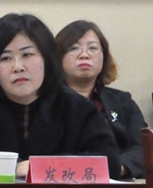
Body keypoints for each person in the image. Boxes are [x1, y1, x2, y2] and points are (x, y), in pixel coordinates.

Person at [0, 13, 121, 179]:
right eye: (5, 58)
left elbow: (109, 163)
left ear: (46, 58)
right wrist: (5, 167)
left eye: (27, 55)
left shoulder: (78, 109)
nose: (18, 67)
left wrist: (43, 167)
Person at [55, 20, 147, 179]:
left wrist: (116, 168)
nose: (84, 54)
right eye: (73, 48)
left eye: (92, 48)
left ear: (104, 56)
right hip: (57, 182)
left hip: (116, 184)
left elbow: (143, 147)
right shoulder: (43, 102)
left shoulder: (123, 102)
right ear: (57, 57)